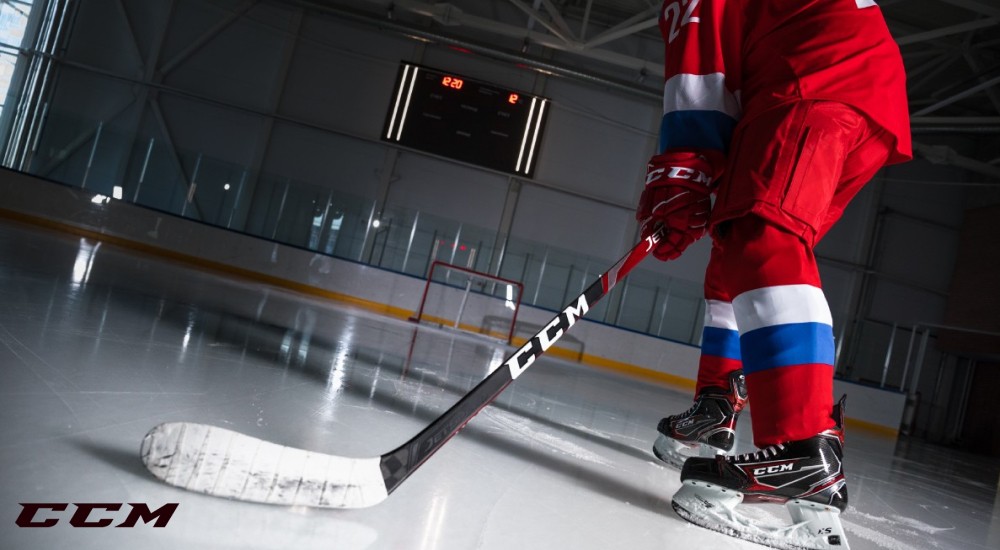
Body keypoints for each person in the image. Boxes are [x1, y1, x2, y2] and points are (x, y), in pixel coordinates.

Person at [635, 0, 911, 548]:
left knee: (766, 235)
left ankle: (804, 447)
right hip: (847, 76)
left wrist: (682, 174)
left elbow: (701, 72)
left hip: (814, 70)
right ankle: (719, 403)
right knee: (740, 241)